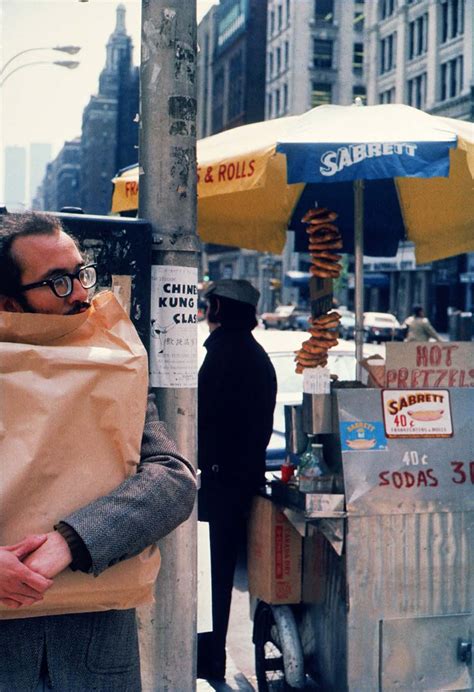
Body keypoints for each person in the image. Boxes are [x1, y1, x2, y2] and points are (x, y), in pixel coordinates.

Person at [0, 212, 196, 691]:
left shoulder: (110, 362)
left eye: (80, 274)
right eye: (58, 282)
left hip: (93, 660)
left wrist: (72, 541)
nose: (82, 293)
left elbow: (172, 478)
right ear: (8, 301)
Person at [197, 279, 277, 681]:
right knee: (219, 573)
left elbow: (206, 421)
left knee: (213, 575)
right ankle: (209, 654)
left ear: (218, 308)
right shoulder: (255, 355)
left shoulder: (226, 354)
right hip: (241, 480)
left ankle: (208, 657)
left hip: (220, 484)